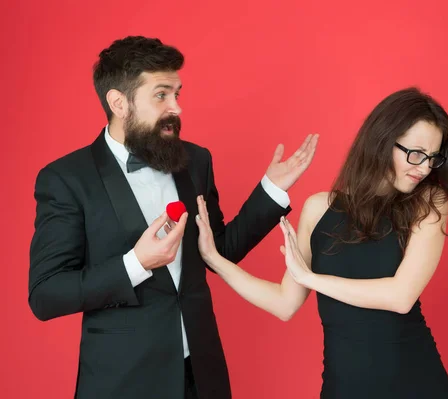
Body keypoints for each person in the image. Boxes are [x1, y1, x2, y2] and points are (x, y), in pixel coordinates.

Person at [27, 35, 318, 399]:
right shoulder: (66, 179)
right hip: (124, 382)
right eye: (162, 95)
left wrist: (271, 190)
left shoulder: (196, 161)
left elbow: (219, 250)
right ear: (118, 102)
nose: (176, 108)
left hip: (201, 374)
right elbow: (46, 295)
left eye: (177, 94)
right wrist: (136, 263)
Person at [195, 87, 448, 398]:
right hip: (342, 387)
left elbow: (400, 296)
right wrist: (216, 260)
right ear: (382, 140)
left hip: (413, 383)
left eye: (433, 157)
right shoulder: (319, 208)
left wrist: (310, 278)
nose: (424, 167)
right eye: (415, 154)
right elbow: (284, 303)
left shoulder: (430, 201)